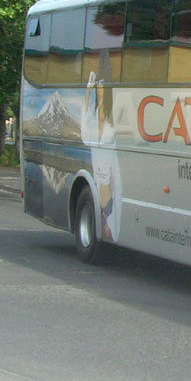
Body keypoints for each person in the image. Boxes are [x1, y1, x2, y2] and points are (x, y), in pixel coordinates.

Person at [81, 52, 121, 242]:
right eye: (98, 88)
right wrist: (89, 90)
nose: (99, 91)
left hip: (104, 176)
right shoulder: (96, 115)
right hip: (102, 178)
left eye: (102, 88)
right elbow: (84, 134)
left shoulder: (112, 120)